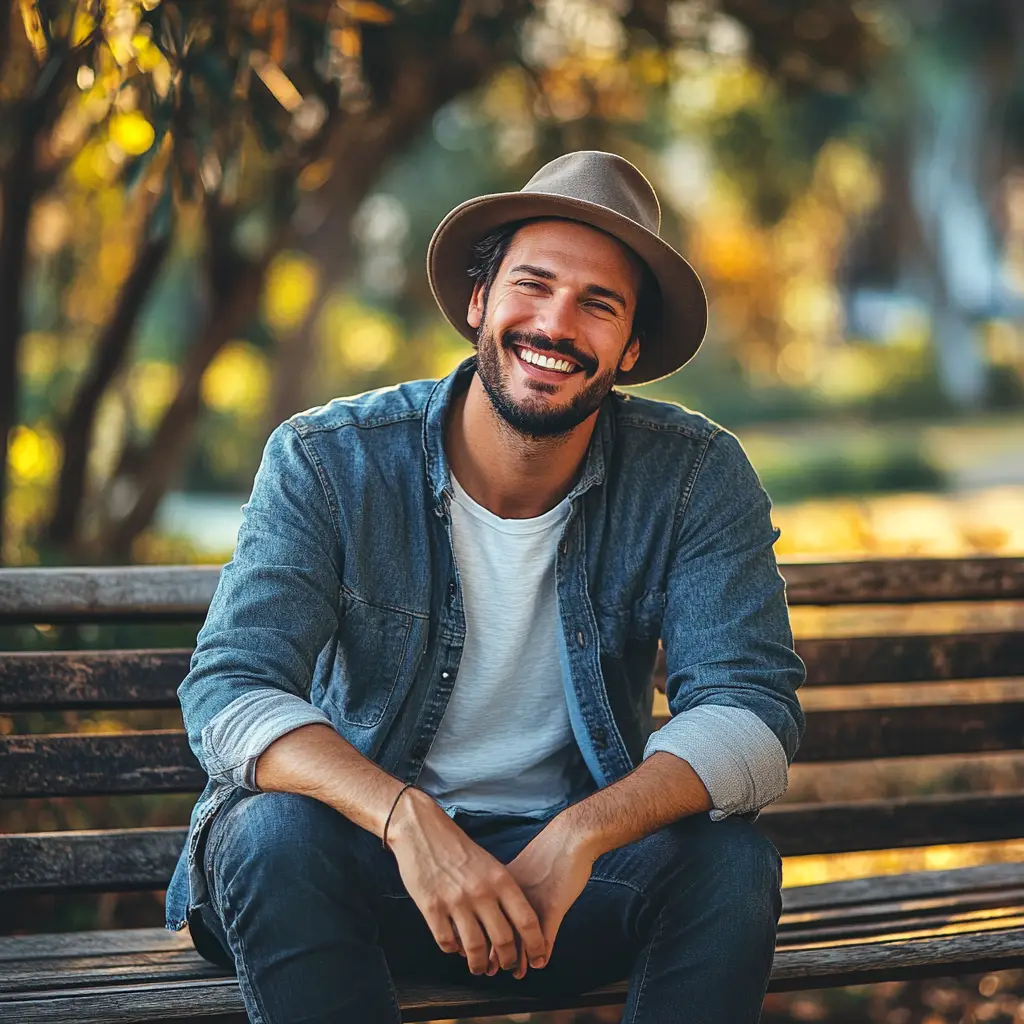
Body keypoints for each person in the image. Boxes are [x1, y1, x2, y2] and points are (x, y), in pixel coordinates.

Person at [165, 150, 805, 1024]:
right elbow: (231, 688)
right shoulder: (329, 459)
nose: (554, 323)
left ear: (633, 346)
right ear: (480, 301)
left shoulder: (695, 477)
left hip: (560, 889)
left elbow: (752, 714)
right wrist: (404, 817)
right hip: (354, 873)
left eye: (598, 304)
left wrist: (581, 835)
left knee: (731, 865)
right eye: (531, 286)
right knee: (272, 833)